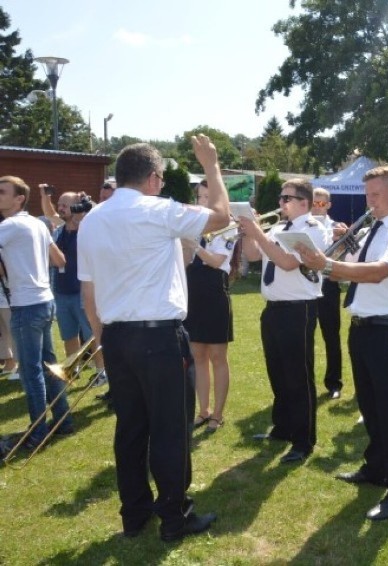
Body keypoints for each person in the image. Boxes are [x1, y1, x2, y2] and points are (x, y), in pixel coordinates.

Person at [77, 137, 228, 541]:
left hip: (116, 337)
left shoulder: (92, 218)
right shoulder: (156, 209)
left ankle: (135, 516)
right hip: (159, 338)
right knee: (170, 430)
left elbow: (88, 293)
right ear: (154, 179)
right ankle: (175, 519)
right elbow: (220, 215)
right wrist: (211, 167)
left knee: (130, 430)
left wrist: (102, 342)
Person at [298, 165, 388, 521]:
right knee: (370, 403)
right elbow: (349, 264)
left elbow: (378, 271)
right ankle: (376, 466)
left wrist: (326, 265)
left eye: (376, 196)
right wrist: (327, 257)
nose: (369, 203)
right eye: (367, 196)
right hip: (364, 329)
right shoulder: (372, 229)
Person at [240, 179, 328, 465]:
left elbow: (289, 263)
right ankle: (282, 427)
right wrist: (248, 234)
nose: (280, 203)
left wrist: (258, 233)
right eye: (280, 198)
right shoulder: (278, 228)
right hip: (274, 308)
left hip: (298, 309)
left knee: (298, 377)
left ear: (305, 202)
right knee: (277, 372)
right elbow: (254, 255)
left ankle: (303, 440)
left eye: (286, 198)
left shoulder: (312, 228)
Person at [0, 176, 69, 455]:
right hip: (44, 301)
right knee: (49, 366)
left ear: (19, 199)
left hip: (27, 306)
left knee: (32, 373)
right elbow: (58, 260)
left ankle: (38, 433)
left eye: (3, 192)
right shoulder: (36, 224)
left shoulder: (11, 224)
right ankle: (63, 421)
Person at [184, 180, 235, 433]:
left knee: (217, 357)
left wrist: (193, 245)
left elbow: (216, 261)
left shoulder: (228, 226)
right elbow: (184, 262)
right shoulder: (193, 225)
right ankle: (202, 411)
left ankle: (217, 413)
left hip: (214, 291)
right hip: (192, 291)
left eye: (208, 197)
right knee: (198, 356)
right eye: (200, 197)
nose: (203, 202)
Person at [50, 191, 107, 384]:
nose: (61, 208)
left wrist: (85, 213)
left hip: (83, 293)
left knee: (92, 335)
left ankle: (101, 372)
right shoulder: (57, 232)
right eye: (60, 204)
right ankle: (72, 369)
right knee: (68, 335)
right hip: (61, 291)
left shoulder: (88, 230)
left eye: (66, 204)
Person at [311, 187, 344, 399]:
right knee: (305, 337)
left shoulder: (337, 228)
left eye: (321, 203)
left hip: (327, 286)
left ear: (329, 205)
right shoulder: (303, 226)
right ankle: (306, 382)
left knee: (331, 336)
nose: (317, 207)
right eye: (314, 202)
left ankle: (334, 383)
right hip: (304, 286)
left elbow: (341, 259)